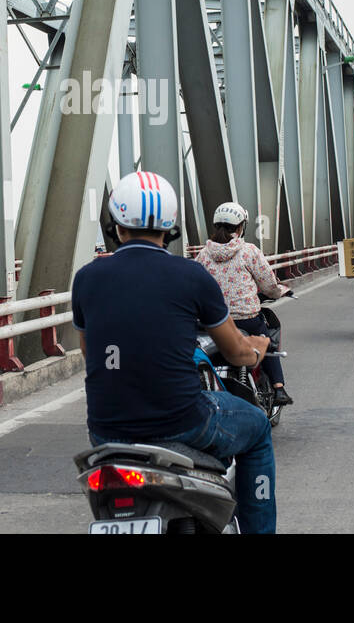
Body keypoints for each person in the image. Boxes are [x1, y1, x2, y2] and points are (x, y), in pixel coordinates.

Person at [73, 172, 277, 534]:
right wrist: (257, 349)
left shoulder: (87, 278)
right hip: (183, 421)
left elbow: (91, 355)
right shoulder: (190, 275)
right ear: (170, 228)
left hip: (104, 431)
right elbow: (236, 352)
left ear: (116, 227)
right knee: (259, 428)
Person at [195, 202, 293, 406]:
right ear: (240, 227)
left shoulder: (203, 255)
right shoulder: (248, 251)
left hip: (212, 322)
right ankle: (278, 388)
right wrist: (279, 291)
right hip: (246, 320)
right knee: (266, 341)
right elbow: (268, 283)